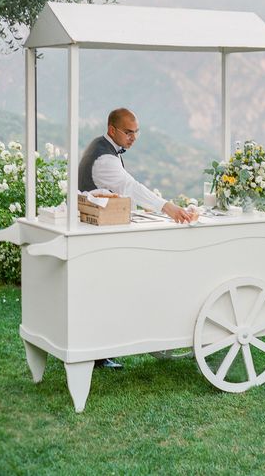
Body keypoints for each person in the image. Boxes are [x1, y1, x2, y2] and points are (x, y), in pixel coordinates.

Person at [78, 107, 192, 369]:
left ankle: (103, 349)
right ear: (112, 130)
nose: (133, 137)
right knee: (115, 288)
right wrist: (168, 207)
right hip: (99, 236)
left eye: (136, 132)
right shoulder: (104, 158)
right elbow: (130, 187)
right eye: (128, 132)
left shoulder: (100, 146)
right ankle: (105, 348)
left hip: (97, 228)